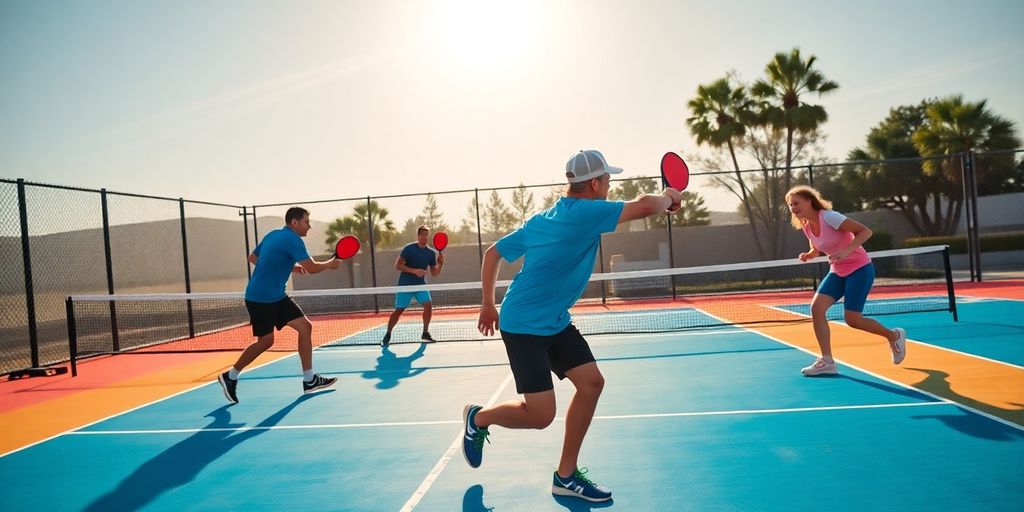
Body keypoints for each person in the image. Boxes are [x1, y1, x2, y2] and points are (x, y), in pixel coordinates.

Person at [463, 149, 684, 503]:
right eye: (608, 180)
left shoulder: (548, 217)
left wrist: (488, 303)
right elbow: (644, 205)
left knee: (592, 382)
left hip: (554, 320)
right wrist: (669, 197)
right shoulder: (585, 212)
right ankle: (479, 418)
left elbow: (493, 253)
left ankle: (565, 476)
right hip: (523, 324)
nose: (610, 187)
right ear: (595, 184)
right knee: (541, 415)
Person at [217, 207, 341, 403]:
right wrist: (330, 264)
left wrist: (289, 267)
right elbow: (312, 267)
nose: (309, 225)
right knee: (265, 342)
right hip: (261, 297)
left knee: (305, 327)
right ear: (294, 222)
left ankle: (309, 380)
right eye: (306, 222)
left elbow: (253, 258)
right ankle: (230, 376)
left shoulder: (273, 235)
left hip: (276, 295)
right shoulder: (293, 240)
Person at [785, 185, 907, 376]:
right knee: (816, 309)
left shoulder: (830, 217)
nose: (793, 207)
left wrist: (846, 251)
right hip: (838, 271)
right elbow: (817, 247)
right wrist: (809, 255)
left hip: (860, 269)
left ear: (809, 201)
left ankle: (895, 336)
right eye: (790, 205)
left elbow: (865, 231)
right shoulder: (807, 225)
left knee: (853, 320)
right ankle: (827, 361)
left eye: (796, 203)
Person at [381, 225, 445, 346]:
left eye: (427, 235)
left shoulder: (430, 253)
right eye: (423, 234)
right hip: (405, 285)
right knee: (399, 310)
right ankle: (387, 335)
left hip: (421, 285)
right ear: (418, 236)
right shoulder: (408, 249)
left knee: (428, 304)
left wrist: (440, 262)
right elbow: (398, 265)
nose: (425, 237)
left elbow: (434, 273)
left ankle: (425, 333)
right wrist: (415, 271)